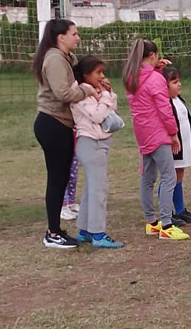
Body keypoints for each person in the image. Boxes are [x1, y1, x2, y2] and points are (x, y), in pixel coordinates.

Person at [33, 19, 99, 248]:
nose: (78, 37)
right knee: (56, 179)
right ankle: (52, 232)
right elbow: (63, 93)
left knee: (61, 178)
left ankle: (56, 230)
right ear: (61, 36)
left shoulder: (65, 58)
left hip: (60, 124)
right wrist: (87, 90)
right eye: (74, 33)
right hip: (52, 123)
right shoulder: (54, 59)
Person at [123, 39, 188, 241]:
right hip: (158, 133)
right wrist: (173, 133)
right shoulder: (155, 80)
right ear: (152, 56)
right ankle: (167, 225)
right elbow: (164, 109)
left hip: (142, 133)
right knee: (169, 177)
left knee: (148, 178)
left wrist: (157, 69)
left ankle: (152, 222)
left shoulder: (131, 78)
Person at [71, 55, 124, 249]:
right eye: (98, 72)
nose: (102, 76)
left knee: (92, 188)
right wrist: (106, 97)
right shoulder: (80, 94)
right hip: (89, 142)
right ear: (86, 75)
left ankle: (85, 230)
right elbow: (98, 115)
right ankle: (98, 234)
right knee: (99, 189)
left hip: (101, 141)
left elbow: (111, 112)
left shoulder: (97, 92)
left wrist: (108, 93)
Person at [161, 67, 191, 225]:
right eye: (174, 82)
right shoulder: (165, 102)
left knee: (179, 175)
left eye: (179, 81)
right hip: (173, 148)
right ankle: (167, 212)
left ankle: (180, 210)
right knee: (169, 178)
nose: (179, 85)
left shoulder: (179, 100)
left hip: (184, 145)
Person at [60, 154, 80, 220]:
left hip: (72, 147)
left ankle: (71, 203)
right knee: (62, 177)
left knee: (73, 177)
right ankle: (63, 207)